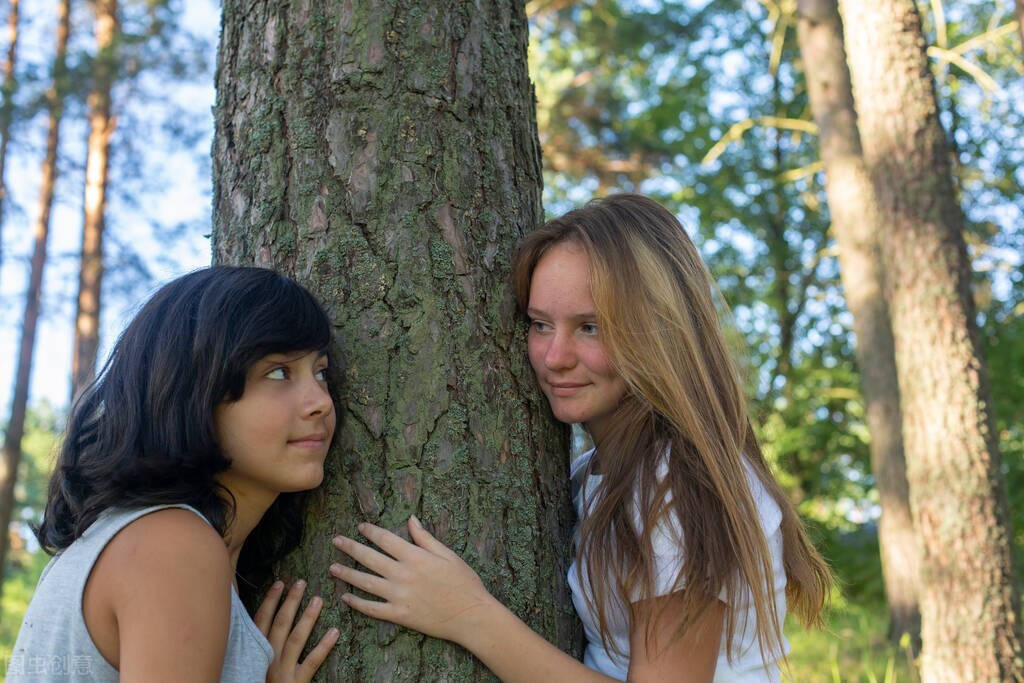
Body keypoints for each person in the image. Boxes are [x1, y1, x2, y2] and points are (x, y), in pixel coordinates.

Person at [329, 194, 832, 681]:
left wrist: (468, 615)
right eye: (540, 324)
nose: (555, 357)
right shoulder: (597, 473)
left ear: (659, 331)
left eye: (590, 327)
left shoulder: (676, 485)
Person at [9, 266, 341, 683]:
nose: (320, 403)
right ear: (193, 388)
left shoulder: (141, 536)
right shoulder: (171, 545)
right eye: (278, 372)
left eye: (321, 372)